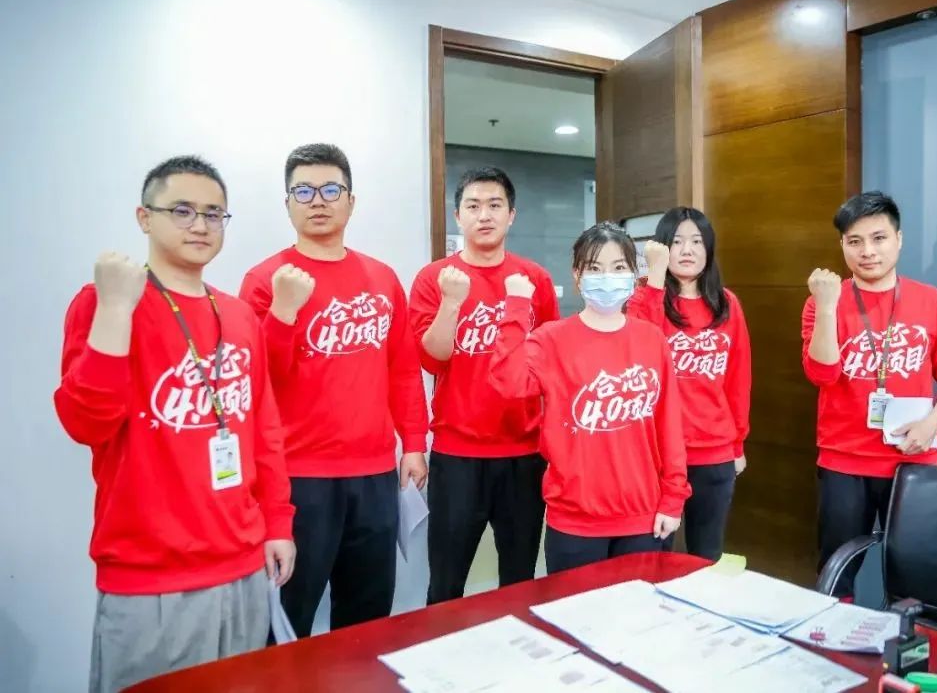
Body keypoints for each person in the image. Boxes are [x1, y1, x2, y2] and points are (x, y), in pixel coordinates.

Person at [54, 156, 295, 692]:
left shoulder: (238, 315)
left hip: (244, 565)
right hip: (151, 579)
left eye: (213, 214)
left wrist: (278, 523)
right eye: (181, 210)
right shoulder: (103, 303)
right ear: (144, 217)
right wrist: (116, 309)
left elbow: (264, 431)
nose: (200, 225)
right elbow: (85, 422)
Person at [239, 143, 428, 636]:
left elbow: (403, 369)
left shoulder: (382, 278)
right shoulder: (265, 280)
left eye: (330, 189)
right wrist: (283, 311)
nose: (317, 200)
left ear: (351, 201)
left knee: (367, 617)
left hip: (375, 474)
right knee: (288, 621)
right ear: (287, 204)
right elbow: (257, 384)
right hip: (298, 477)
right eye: (303, 191)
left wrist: (413, 443)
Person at [489, 221, 691, 574]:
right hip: (574, 522)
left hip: (642, 518)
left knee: (636, 609)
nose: (607, 278)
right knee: (574, 609)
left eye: (618, 267)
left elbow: (669, 424)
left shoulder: (651, 339)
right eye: (595, 268)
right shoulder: (551, 339)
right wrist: (517, 306)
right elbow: (507, 382)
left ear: (633, 275)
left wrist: (674, 497)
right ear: (577, 275)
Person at [802, 191, 937, 599]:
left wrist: (932, 424)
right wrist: (826, 307)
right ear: (843, 245)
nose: (867, 251)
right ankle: (833, 637)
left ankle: (905, 637)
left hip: (914, 457)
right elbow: (822, 374)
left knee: (914, 573)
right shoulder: (823, 303)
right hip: (844, 460)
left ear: (899, 239)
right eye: (855, 241)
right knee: (837, 570)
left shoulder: (934, 303)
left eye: (878, 238)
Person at [409, 166, 559, 604]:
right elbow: (431, 359)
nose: (484, 215)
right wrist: (451, 303)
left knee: (519, 579)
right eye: (473, 206)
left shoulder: (534, 280)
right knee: (446, 583)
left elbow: (549, 365)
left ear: (512, 215)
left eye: (495, 205)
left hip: (524, 454)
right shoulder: (435, 278)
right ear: (458, 216)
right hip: (458, 454)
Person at [627, 206, 750, 561]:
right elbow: (638, 349)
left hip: (714, 451)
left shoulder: (727, 304)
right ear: (662, 247)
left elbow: (738, 378)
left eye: (697, 241)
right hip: (658, 454)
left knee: (706, 556)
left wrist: (737, 443)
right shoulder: (644, 299)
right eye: (677, 241)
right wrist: (654, 277)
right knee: (653, 555)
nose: (687, 250)